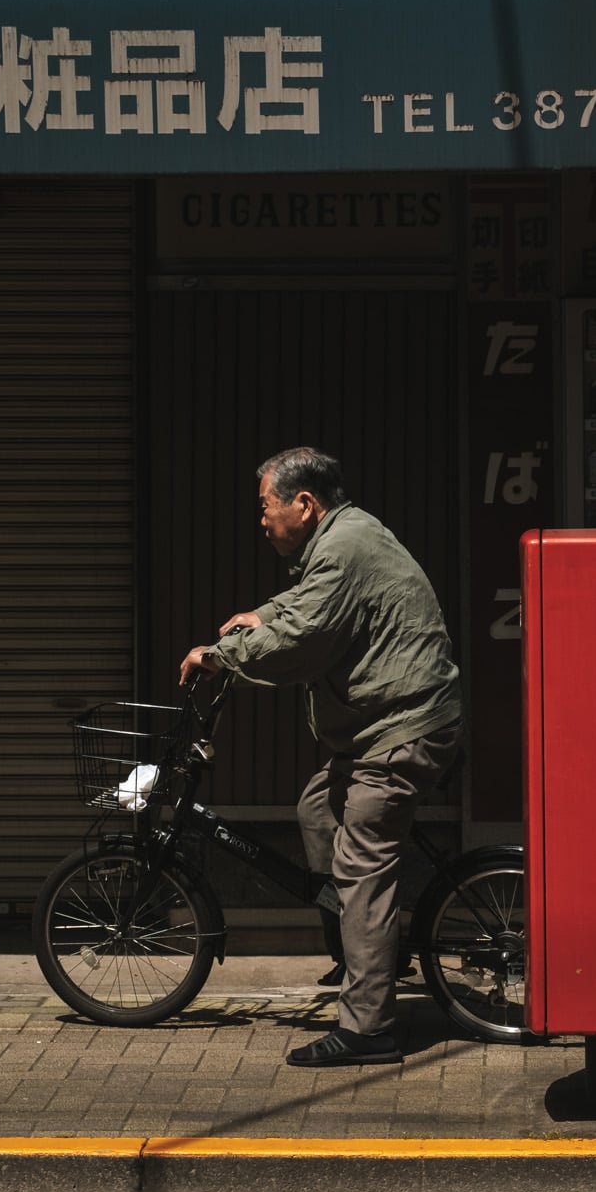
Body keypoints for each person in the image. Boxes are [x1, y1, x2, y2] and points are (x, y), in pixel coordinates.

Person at [180, 445, 461, 1067]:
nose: (262, 521)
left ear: (304, 505)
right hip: (381, 726)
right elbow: (307, 604)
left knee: (361, 862)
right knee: (317, 808)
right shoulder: (343, 539)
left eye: (265, 507)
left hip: (403, 728)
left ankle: (368, 1030)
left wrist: (220, 655)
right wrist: (262, 613)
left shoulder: (343, 546)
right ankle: (367, 948)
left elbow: (305, 635)